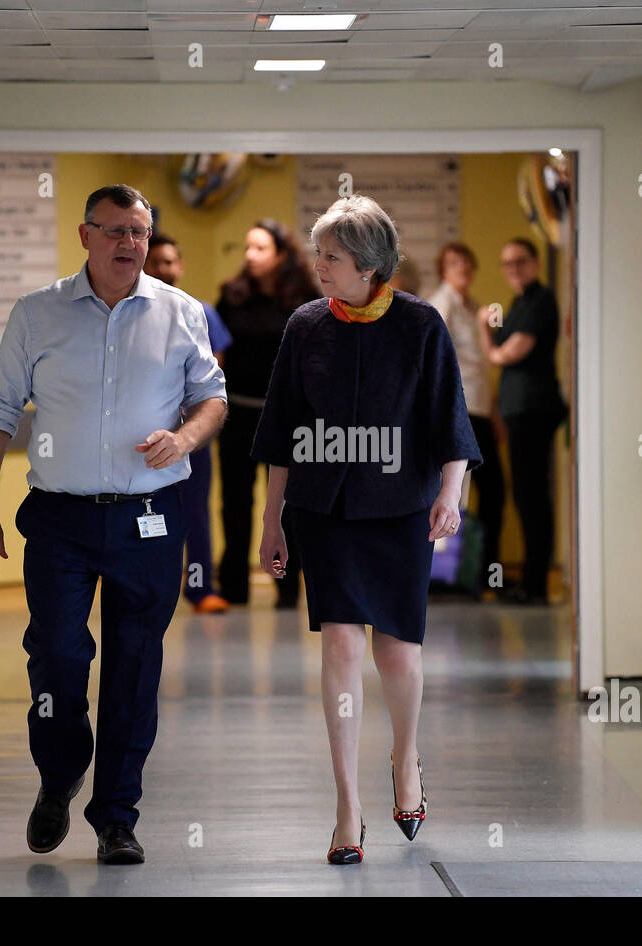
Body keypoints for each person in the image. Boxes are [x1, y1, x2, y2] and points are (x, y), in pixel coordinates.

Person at [0, 184, 227, 864]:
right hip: (60, 518)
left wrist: (187, 438)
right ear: (85, 236)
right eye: (113, 230)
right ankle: (60, 774)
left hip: (149, 517)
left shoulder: (181, 314)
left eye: (138, 231)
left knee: (135, 668)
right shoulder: (38, 314)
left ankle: (116, 814)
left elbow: (212, 398)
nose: (128, 243)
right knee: (56, 654)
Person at [252, 195, 481, 865]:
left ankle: (405, 758)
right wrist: (272, 521)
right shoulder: (305, 325)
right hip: (325, 512)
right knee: (342, 649)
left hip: (401, 509)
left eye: (332, 257)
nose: (319, 267)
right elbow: (282, 432)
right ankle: (347, 806)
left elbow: (451, 423)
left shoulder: (420, 325)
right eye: (319, 254)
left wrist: (451, 494)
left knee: (399, 654)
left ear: (370, 265)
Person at [216, 219, 321, 609]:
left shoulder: (304, 298)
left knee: (286, 504)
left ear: (281, 255)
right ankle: (233, 587)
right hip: (239, 412)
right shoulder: (233, 294)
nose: (250, 255)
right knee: (235, 501)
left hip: (287, 419)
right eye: (247, 247)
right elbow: (218, 354)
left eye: (260, 248)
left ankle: (288, 586)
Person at [144, 232, 232, 614]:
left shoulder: (200, 312)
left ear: (179, 266)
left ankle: (200, 587)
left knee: (195, 512)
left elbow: (212, 374)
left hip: (191, 433)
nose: (163, 269)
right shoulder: (130, 313)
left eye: (169, 261)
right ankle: (145, 588)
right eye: (156, 262)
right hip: (143, 434)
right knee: (147, 512)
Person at [479, 237, 566, 606]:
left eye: (520, 261)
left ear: (534, 263)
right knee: (525, 495)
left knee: (532, 497)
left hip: (534, 410)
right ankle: (530, 583)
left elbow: (503, 354)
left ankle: (534, 585)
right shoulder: (520, 302)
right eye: (506, 263)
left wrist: (483, 328)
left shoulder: (541, 300)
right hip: (519, 410)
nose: (513, 269)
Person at [428, 242, 505, 591]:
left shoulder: (474, 307)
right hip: (459, 409)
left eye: (466, 262)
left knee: (489, 491)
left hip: (480, 408)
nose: (462, 268)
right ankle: (449, 577)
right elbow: (433, 360)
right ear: (443, 270)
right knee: (456, 492)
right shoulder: (441, 304)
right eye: (453, 263)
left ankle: (480, 571)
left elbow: (483, 366)